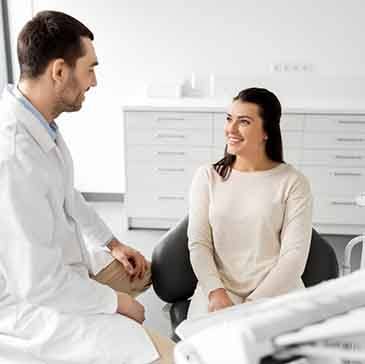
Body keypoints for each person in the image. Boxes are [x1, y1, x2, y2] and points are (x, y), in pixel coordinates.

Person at [0, 11, 174, 364]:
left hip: (63, 269)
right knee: (166, 356)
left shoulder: (39, 124)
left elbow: (68, 196)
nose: (93, 81)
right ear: (60, 71)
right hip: (32, 307)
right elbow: (37, 283)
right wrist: (117, 304)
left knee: (143, 271)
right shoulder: (14, 155)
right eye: (90, 68)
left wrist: (112, 243)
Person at [187, 87, 313, 319]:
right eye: (229, 119)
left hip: (276, 291)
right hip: (219, 291)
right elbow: (199, 243)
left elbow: (294, 258)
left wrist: (252, 304)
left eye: (243, 121)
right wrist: (215, 292)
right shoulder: (207, 177)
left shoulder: (293, 182)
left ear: (267, 131)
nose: (230, 129)